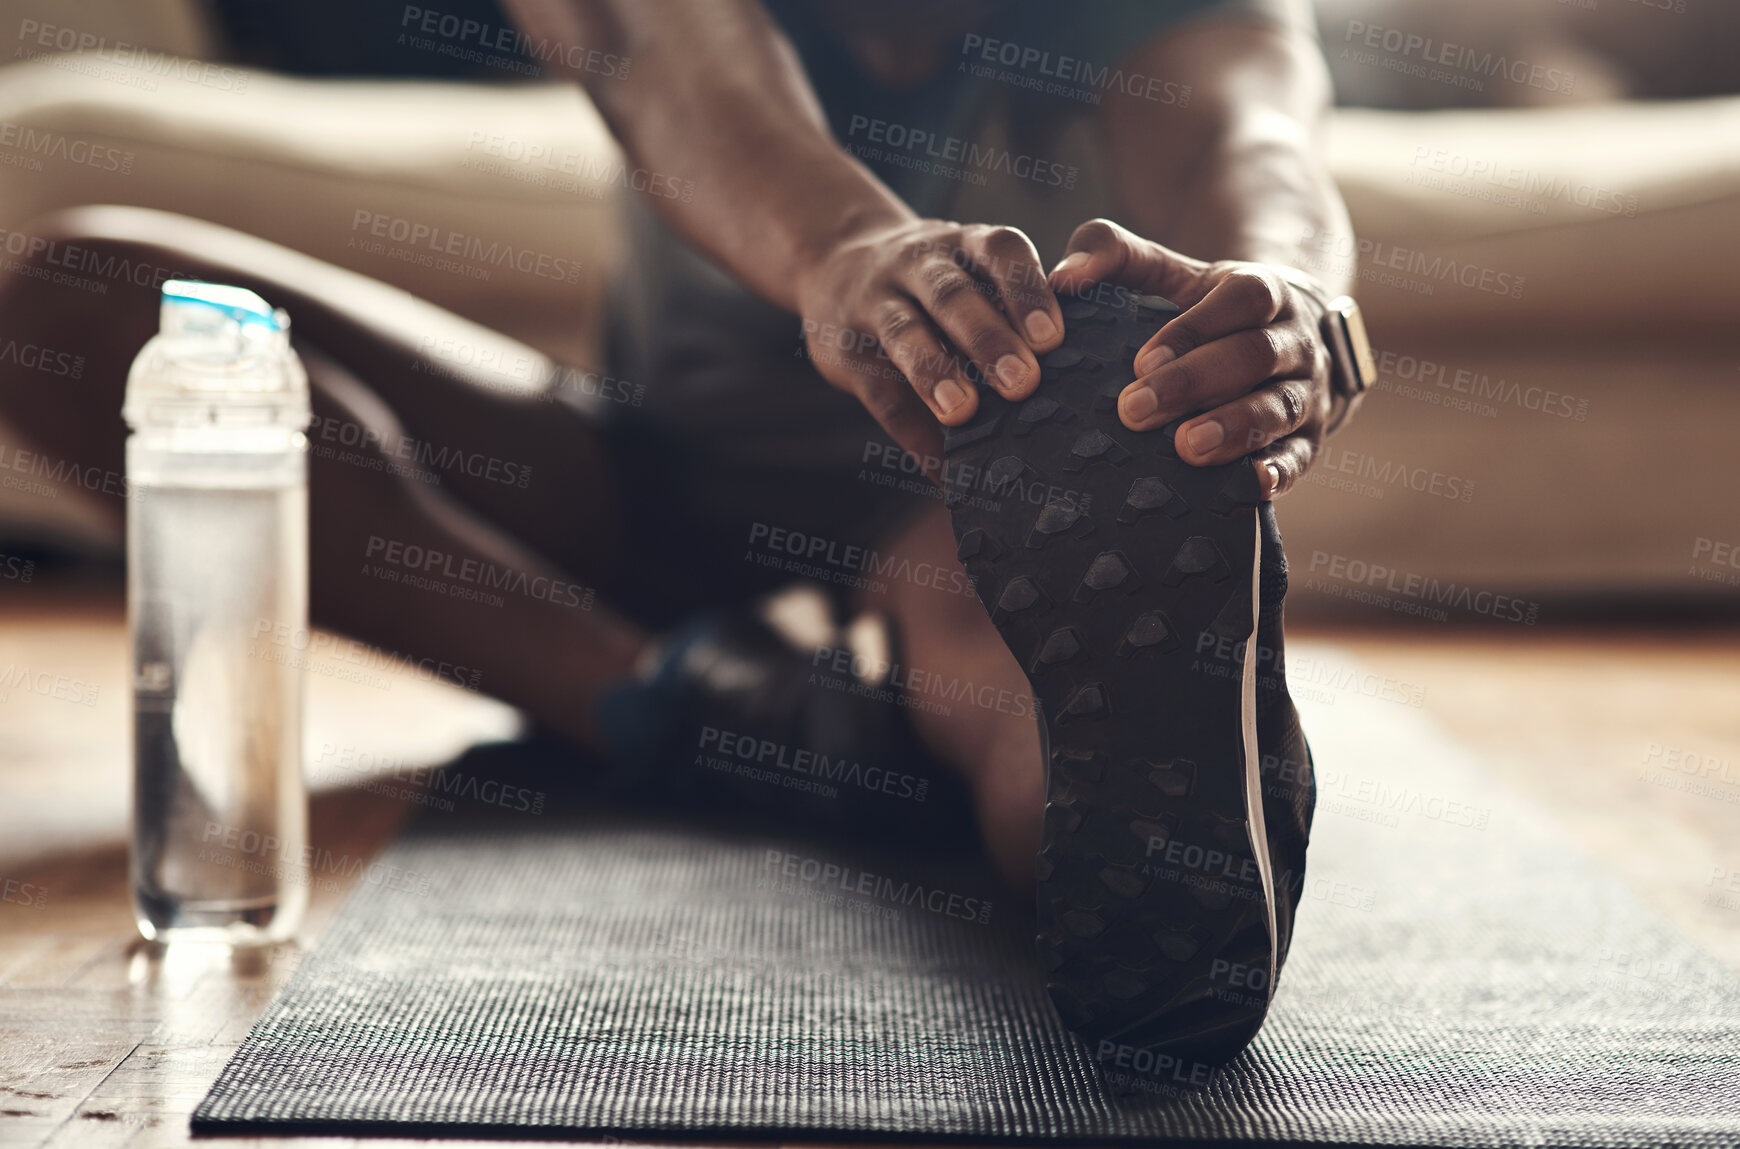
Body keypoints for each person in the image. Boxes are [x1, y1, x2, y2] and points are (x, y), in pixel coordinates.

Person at [0, 0, 1363, 1068]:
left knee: (1013, 645)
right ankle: (684, 702)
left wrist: (1282, 293)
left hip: (961, 516)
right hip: (639, 482)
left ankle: (1166, 829)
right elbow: (672, 58)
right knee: (66, 303)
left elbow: (1238, 140)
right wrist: (848, 251)